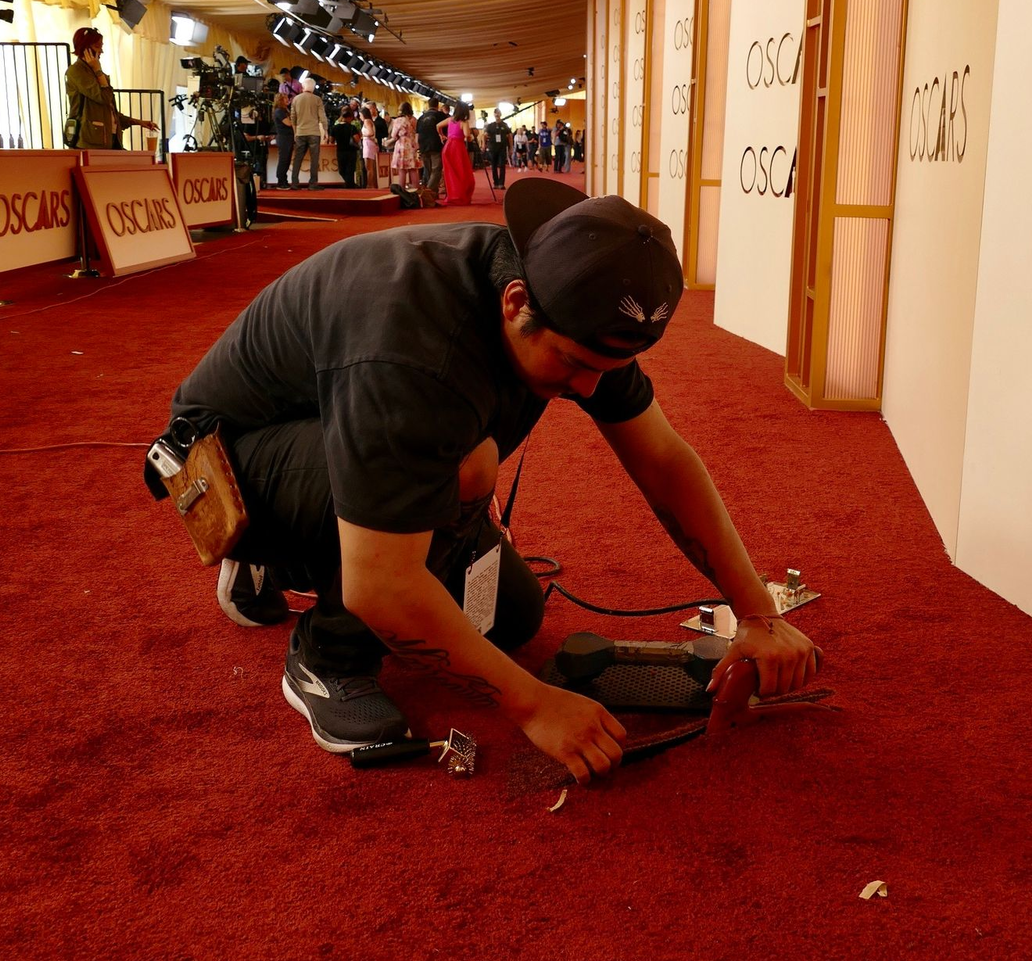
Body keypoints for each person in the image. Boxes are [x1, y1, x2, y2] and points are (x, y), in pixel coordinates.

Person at [153, 178, 821, 783]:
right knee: (467, 467)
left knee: (512, 616)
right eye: (574, 364)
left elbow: (664, 461)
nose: (589, 387)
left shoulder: (573, 303)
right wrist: (533, 703)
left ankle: (294, 560)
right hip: (220, 470)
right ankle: (325, 653)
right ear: (515, 301)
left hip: (331, 425)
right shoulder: (417, 347)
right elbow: (380, 583)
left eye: (605, 368)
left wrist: (756, 610)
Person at [64, 27, 157, 150]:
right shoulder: (76, 71)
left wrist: (137, 122)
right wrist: (98, 71)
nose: (101, 51)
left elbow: (110, 111)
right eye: (97, 47)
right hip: (90, 142)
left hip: (109, 139)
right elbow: (104, 97)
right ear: (85, 48)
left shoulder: (95, 73)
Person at [288, 78, 326, 190]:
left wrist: (295, 132)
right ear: (313, 88)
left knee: (298, 158)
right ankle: (313, 184)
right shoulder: (317, 99)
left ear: (303, 87)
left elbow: (293, 117)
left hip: (300, 132)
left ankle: (294, 183)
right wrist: (326, 129)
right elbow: (322, 117)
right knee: (314, 159)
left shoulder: (296, 99)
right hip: (314, 132)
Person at [438, 101, 476, 206]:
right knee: (463, 173)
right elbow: (467, 135)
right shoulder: (464, 122)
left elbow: (438, 126)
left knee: (450, 173)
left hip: (448, 147)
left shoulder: (450, 120)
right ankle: (460, 196)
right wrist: (470, 137)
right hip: (458, 148)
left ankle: (452, 195)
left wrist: (442, 135)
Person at [416, 99, 447, 199]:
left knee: (428, 170)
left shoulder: (420, 118)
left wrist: (418, 148)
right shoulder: (441, 115)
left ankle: (434, 193)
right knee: (436, 169)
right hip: (436, 145)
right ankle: (429, 192)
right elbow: (446, 131)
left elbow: (417, 134)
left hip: (423, 145)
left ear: (428, 105)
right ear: (437, 106)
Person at [389, 101, 419, 188]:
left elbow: (393, 135)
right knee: (413, 169)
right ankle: (416, 190)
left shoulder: (398, 120)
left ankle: (401, 191)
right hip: (412, 145)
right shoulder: (414, 120)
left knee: (402, 169)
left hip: (402, 145)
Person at [331, 106, 360, 188]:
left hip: (340, 151)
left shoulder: (335, 127)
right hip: (351, 151)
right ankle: (350, 185)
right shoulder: (352, 127)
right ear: (350, 117)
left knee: (342, 170)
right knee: (350, 170)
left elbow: (331, 140)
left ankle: (349, 185)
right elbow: (357, 139)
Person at [270, 92, 293, 189]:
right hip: (284, 138)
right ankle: (281, 181)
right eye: (285, 98)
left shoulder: (284, 111)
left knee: (286, 160)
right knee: (283, 160)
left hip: (287, 138)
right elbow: (288, 123)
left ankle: (284, 179)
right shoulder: (279, 111)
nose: (288, 100)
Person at [485, 110, 513, 189]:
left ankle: (501, 183)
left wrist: (511, 147)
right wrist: (484, 145)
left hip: (502, 148)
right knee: (493, 166)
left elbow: (510, 136)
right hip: (493, 148)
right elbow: (485, 135)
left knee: (502, 165)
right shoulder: (490, 125)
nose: (497, 114)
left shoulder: (505, 125)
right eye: (495, 113)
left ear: (500, 114)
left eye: (498, 113)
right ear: (494, 114)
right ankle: (495, 183)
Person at [359, 104, 378, 188]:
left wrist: (363, 134)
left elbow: (371, 133)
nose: (360, 117)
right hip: (370, 144)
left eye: (360, 115)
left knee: (369, 167)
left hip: (368, 144)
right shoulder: (370, 121)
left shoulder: (367, 121)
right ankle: (371, 184)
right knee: (371, 167)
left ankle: (370, 185)